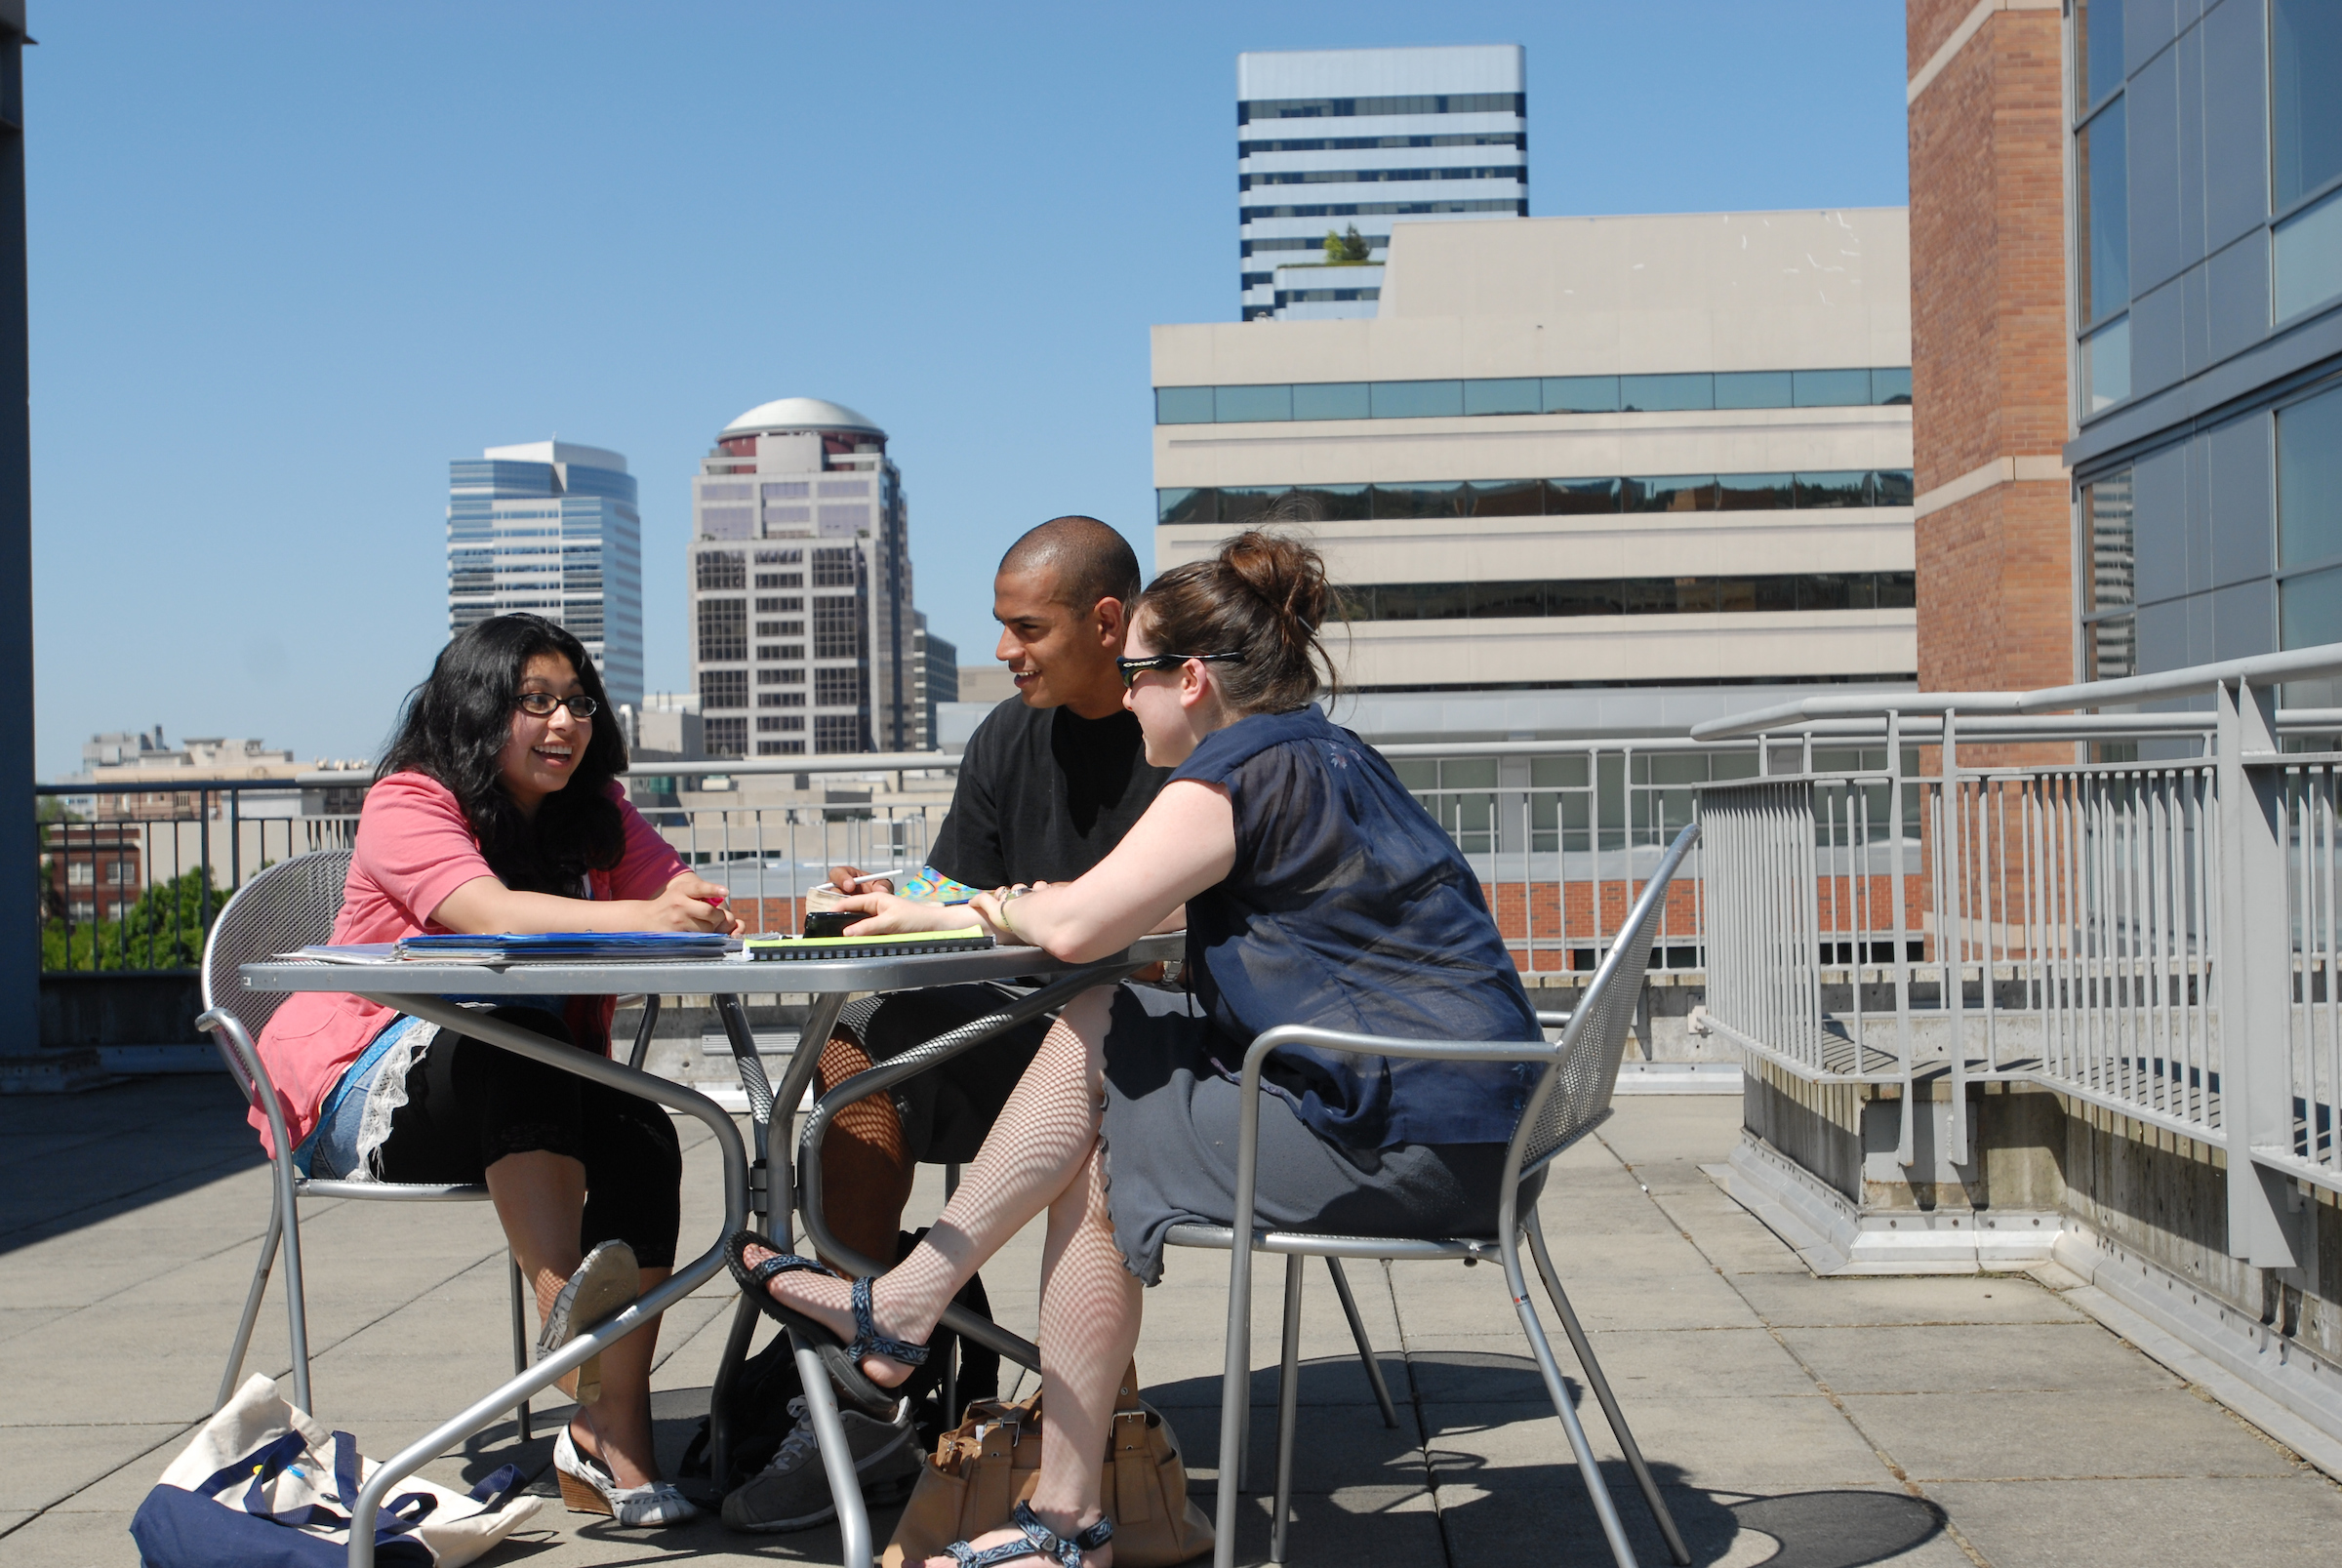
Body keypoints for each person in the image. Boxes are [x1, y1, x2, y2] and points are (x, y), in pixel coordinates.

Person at [726, 532, 1540, 1568]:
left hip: (1410, 1144)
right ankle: (959, 1372)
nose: (1128, 693)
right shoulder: (1330, 753)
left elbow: (1075, 929)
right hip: (1476, 1124)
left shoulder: (1234, 772)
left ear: (1188, 678)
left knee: (1103, 1122)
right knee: (1107, 1027)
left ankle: (1011, 1447)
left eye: (1135, 672)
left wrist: (981, 909)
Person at [717, 514, 1183, 1534]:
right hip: (1028, 1025)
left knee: (1088, 1065)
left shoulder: (1183, 730)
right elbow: (963, 892)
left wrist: (997, 907)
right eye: (999, 625)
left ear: (1107, 623)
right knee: (860, 1050)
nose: (1005, 651)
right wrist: (893, 893)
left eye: (1027, 628)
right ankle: (858, 1394)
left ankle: (909, 1359)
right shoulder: (1011, 733)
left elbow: (1157, 930)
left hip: (1143, 1046)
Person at [252, 614, 741, 1529]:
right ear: (480, 711)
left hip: (533, 1085)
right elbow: (490, 914)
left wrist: (694, 907)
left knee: (643, 1124)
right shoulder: (410, 798)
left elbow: (680, 896)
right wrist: (647, 917)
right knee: (515, 1041)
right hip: (369, 1091)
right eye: (537, 702)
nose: (565, 723)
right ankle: (573, 1326)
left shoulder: (600, 811)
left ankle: (609, 1433)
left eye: (578, 702)